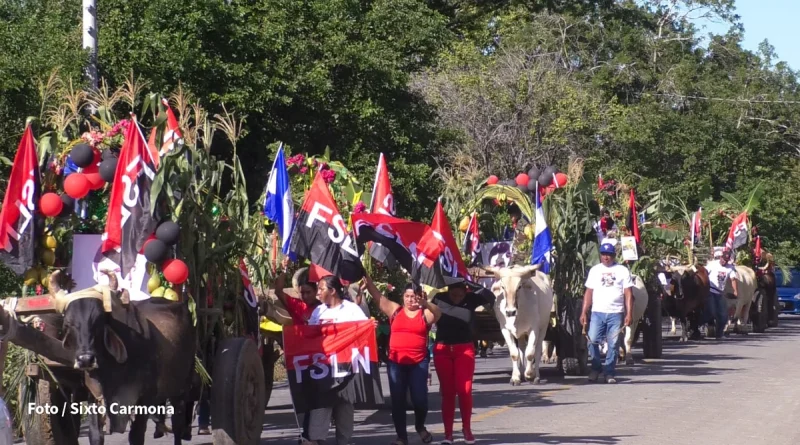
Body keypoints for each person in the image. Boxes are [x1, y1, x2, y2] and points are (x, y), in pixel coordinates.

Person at [363, 276, 441, 445]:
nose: (410, 299)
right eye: (407, 296)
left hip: (418, 363)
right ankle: (401, 437)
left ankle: (420, 426)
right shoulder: (395, 310)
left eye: (413, 296)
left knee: (420, 400)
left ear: (420, 296)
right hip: (396, 363)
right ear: (402, 297)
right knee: (397, 401)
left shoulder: (424, 314)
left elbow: (438, 313)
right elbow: (378, 298)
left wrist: (425, 304)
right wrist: (369, 282)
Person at [305, 275, 369, 445]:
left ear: (332, 291)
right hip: (323, 370)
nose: (318, 293)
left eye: (321, 289)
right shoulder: (318, 311)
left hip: (345, 369)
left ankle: (344, 441)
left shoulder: (351, 310)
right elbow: (309, 336)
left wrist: (369, 328)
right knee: (320, 406)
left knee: (344, 409)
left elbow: (365, 332)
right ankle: (315, 440)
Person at [431, 277, 493, 445]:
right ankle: (448, 434)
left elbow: (489, 296)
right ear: (448, 291)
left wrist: (469, 282)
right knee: (448, 393)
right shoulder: (438, 298)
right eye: (453, 295)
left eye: (460, 295)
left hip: (464, 349)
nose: (457, 298)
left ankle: (467, 429)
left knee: (464, 391)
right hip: (442, 350)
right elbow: (427, 312)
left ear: (465, 291)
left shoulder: (471, 298)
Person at [580, 242, 633, 384]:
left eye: (609, 255)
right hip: (597, 312)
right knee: (591, 340)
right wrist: (584, 312)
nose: (606, 257)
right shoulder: (595, 271)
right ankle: (596, 368)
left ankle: (609, 373)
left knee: (614, 344)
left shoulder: (622, 270)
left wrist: (629, 314)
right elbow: (589, 292)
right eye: (603, 254)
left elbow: (628, 293)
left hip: (616, 313)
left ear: (614, 256)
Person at [705, 249, 738, 338]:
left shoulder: (730, 268)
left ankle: (719, 334)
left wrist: (735, 291)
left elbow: (733, 279)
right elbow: (704, 274)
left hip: (720, 293)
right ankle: (706, 326)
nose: (724, 262)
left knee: (723, 315)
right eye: (723, 259)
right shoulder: (712, 264)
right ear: (720, 257)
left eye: (726, 261)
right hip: (710, 291)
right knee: (712, 311)